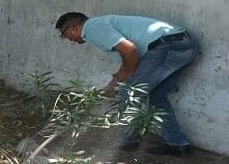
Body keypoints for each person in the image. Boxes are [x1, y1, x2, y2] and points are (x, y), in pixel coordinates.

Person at [56, 12, 198, 156]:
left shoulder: (92, 27)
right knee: (157, 96)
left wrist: (127, 78)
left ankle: (127, 141)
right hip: (184, 45)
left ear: (72, 28)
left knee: (129, 92)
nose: (69, 40)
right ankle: (178, 144)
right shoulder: (101, 25)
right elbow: (129, 61)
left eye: (64, 35)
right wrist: (114, 84)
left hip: (167, 47)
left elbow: (129, 50)